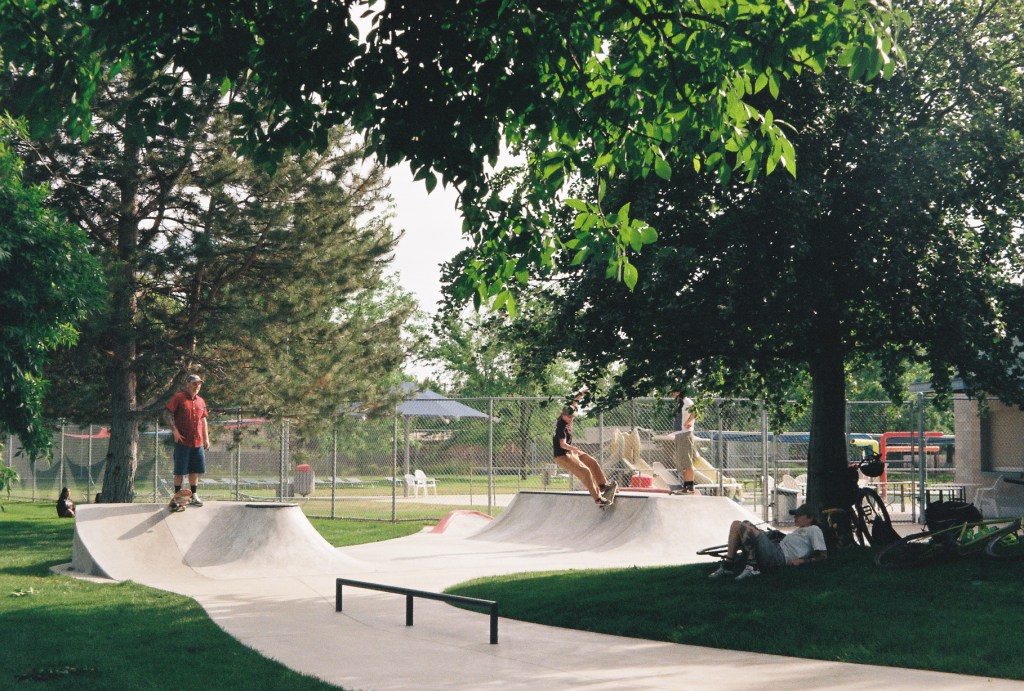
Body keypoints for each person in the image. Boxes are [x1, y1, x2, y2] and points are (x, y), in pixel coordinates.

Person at [708, 503, 827, 580]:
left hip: (779, 556)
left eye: (799, 515)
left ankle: (752, 567)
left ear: (810, 518)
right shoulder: (800, 530)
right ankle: (729, 565)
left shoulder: (814, 529)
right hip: (774, 550)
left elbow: (822, 555)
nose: (795, 518)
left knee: (746, 525)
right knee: (736, 524)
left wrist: (801, 561)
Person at [553, 390, 617, 507]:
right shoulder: (560, 427)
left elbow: (574, 402)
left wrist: (582, 393)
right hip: (563, 455)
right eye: (569, 418)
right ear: (563, 415)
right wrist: (573, 449)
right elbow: (562, 444)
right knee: (585, 472)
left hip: (571, 451)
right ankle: (598, 498)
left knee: (591, 462)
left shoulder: (568, 411)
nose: (571, 419)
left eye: (572, 417)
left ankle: (602, 485)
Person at [163, 373, 210, 507]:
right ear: (188, 384)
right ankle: (177, 497)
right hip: (182, 442)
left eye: (199, 383)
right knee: (180, 471)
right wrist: (175, 431)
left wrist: (206, 438)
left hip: (198, 442)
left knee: (195, 470)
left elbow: (203, 419)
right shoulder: (179, 398)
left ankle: (194, 495)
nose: (197, 386)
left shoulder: (201, 401)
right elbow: (166, 413)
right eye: (194, 383)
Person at [666, 393, 700, 493]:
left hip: (685, 434)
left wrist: (689, 422)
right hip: (679, 434)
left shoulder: (687, 401)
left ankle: (690, 487)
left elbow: (695, 411)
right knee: (682, 461)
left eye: (674, 392)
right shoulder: (680, 403)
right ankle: (686, 486)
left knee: (687, 461)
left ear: (680, 392)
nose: (672, 394)